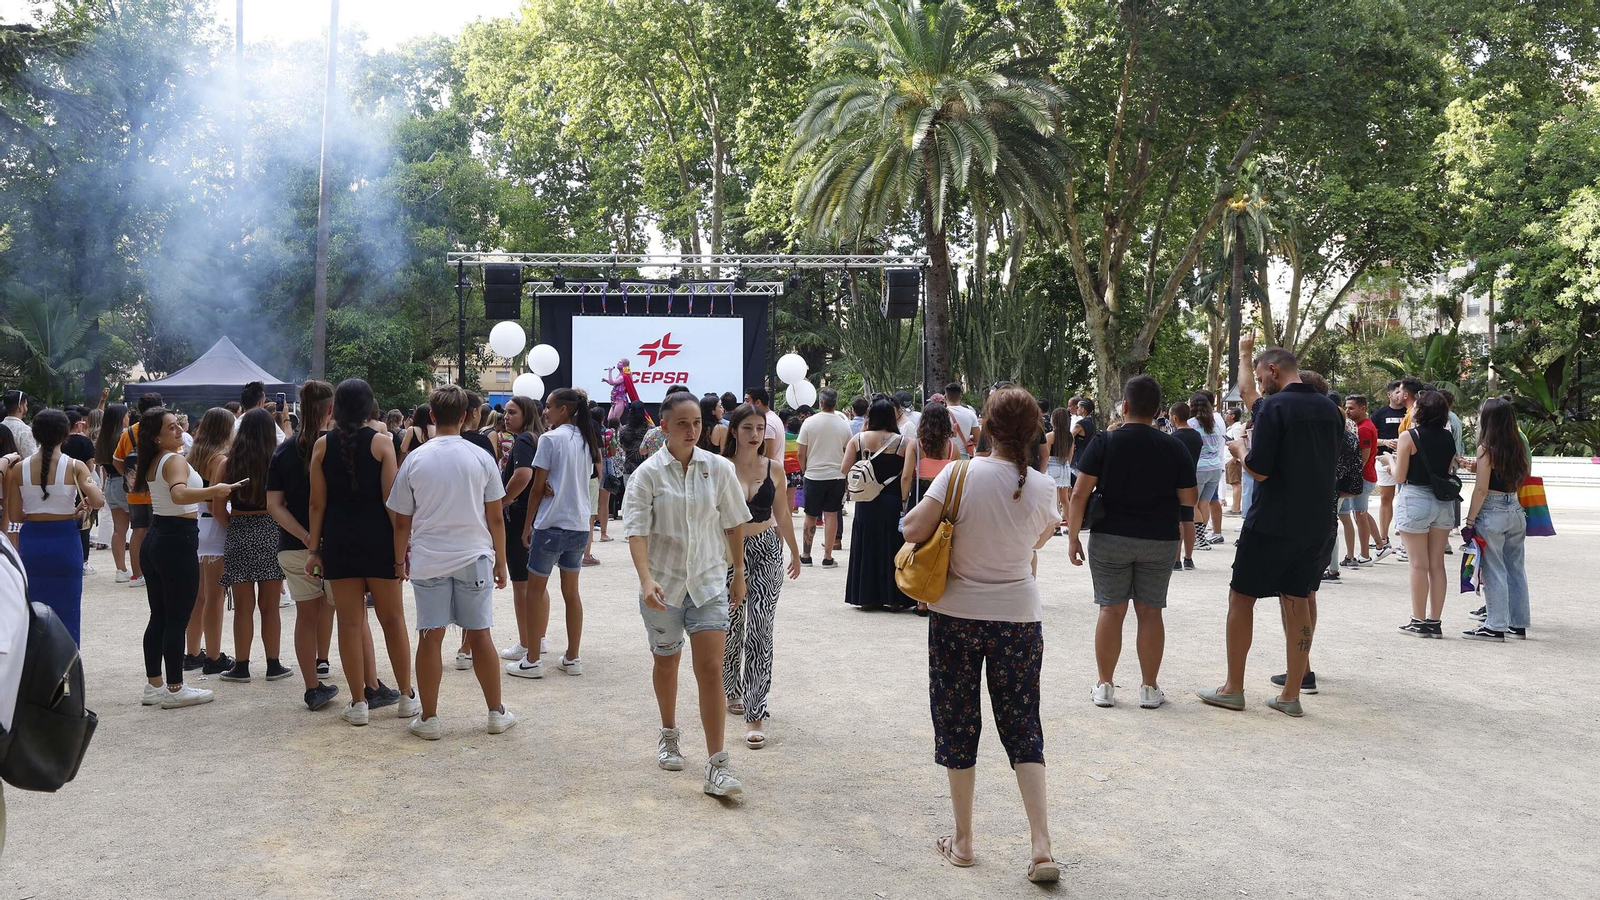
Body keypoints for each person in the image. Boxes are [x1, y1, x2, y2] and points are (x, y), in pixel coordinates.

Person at [900, 386, 1060, 883]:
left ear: (984, 428)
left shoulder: (957, 474)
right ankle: (1041, 846)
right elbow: (1035, 541)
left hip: (956, 616)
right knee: (1022, 725)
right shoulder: (1042, 488)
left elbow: (912, 530)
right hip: (1019, 618)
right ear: (1033, 430)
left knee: (957, 722)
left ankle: (964, 841)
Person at [1198, 347, 1340, 718]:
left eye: (1261, 377)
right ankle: (1290, 694)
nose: (1259, 384)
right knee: (1297, 599)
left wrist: (1240, 448)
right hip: (1318, 521)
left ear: (1273, 371)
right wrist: (1245, 355)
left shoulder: (1274, 408)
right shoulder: (1331, 410)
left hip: (1274, 520)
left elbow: (1260, 469)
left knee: (1241, 598)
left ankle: (1233, 687)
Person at [621, 391, 750, 798]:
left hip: (709, 581)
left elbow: (733, 524)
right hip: (664, 585)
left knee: (711, 668)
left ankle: (717, 763)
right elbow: (637, 531)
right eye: (682, 423)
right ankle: (669, 732)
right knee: (667, 661)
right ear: (664, 427)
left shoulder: (718, 469)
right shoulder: (648, 475)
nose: (691, 430)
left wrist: (738, 572)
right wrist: (645, 579)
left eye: (697, 422)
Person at [386, 384, 515, 739]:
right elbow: (496, 518)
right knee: (480, 634)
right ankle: (495, 712)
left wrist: (399, 563)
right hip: (474, 555)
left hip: (428, 558)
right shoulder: (480, 457)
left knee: (430, 636)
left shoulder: (415, 458)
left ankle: (429, 718)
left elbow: (401, 520)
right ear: (464, 416)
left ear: (430, 415)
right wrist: (501, 562)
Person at [1068, 378, 1197, 709]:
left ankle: (1105, 686)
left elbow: (1079, 493)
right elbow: (1189, 500)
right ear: (1158, 411)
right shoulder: (1175, 447)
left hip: (1110, 535)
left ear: (1124, 406)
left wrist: (1072, 538)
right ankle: (1149, 689)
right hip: (1159, 538)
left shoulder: (1104, 442)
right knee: (1151, 612)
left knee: (1111, 609)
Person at [307, 379, 419, 726]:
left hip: (339, 541)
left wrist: (314, 548)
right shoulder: (384, 444)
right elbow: (394, 506)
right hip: (379, 540)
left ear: (335, 408)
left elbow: (316, 504)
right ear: (371, 406)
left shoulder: (321, 446)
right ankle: (404, 695)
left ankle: (358, 703)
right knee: (393, 620)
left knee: (350, 623)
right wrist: (402, 551)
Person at [133, 406, 241, 709]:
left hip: (159, 536)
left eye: (178, 425)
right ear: (157, 437)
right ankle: (175, 687)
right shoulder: (175, 459)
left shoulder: (156, 459)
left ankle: (156, 685)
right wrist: (215, 490)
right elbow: (179, 494)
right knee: (176, 618)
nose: (180, 430)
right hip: (175, 537)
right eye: (172, 428)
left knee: (160, 616)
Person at [720, 403, 801, 748]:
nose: (755, 435)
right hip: (727, 551)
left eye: (760, 429)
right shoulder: (720, 468)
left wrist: (796, 551)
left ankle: (756, 711)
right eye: (747, 428)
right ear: (734, 431)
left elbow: (782, 513)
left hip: (767, 547)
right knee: (730, 623)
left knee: (761, 627)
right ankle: (730, 686)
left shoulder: (775, 468)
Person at [512, 388, 601, 679]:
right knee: (571, 593)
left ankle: (533, 659)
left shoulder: (550, 439)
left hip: (550, 523)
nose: (544, 412)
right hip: (577, 525)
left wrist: (527, 526)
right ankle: (572, 657)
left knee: (535, 593)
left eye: (548, 407)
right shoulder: (587, 439)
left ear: (563, 409)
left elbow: (537, 489)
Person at [266, 381, 340, 710]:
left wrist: (303, 535)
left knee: (305, 616)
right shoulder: (335, 446)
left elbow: (274, 504)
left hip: (293, 546)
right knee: (348, 616)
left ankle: (312, 686)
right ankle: (364, 685)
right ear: (330, 409)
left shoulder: (284, 449)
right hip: (336, 544)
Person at [3, 409, 103, 645]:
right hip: (65, 541)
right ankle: (67, 668)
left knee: (35, 610)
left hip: (33, 543)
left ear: (35, 434)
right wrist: (74, 509)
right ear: (65, 434)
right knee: (68, 610)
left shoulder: (19, 469)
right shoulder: (75, 466)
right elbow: (97, 500)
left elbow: (16, 515)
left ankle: (37, 667)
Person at [212, 408, 291, 683]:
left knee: (243, 607)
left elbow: (217, 507)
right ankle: (273, 664)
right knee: (270, 606)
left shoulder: (228, 462)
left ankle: (242, 666)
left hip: (240, 531)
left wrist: (234, 527)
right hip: (271, 530)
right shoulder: (278, 460)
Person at [1390, 390, 1459, 637]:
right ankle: (1434, 621)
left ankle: (1417, 620)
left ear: (1420, 411)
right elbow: (1449, 468)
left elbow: (1400, 476)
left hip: (1416, 498)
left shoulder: (1410, 436)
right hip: (1442, 501)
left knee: (1417, 565)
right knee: (1436, 564)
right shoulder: (1448, 437)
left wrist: (1390, 461)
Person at [1462, 398, 1530, 641]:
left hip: (1492, 510)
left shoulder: (1486, 448)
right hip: (1515, 508)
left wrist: (1469, 522)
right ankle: (1518, 623)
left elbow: (1481, 489)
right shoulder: (1518, 444)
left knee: (1493, 570)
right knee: (1515, 568)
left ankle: (1495, 624)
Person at [841, 396, 913, 612]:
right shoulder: (904, 443)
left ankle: (866, 597)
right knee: (891, 546)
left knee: (866, 546)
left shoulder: (858, 440)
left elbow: (844, 469)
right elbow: (906, 477)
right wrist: (903, 502)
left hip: (865, 500)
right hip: (891, 501)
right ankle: (893, 598)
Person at [182, 408, 236, 676]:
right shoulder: (220, 460)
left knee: (198, 596)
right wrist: (233, 529)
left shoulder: (193, 456)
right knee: (215, 597)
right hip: (214, 526)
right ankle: (213, 656)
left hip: (195, 524)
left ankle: (193, 652)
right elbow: (216, 505)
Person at [494, 396, 547, 667]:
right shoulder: (538, 437)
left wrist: (503, 499)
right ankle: (538, 636)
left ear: (525, 414)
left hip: (520, 516)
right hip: (536, 515)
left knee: (521, 584)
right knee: (537, 581)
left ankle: (527, 643)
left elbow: (523, 475)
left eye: (512, 412)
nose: (506, 416)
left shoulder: (525, 440)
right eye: (505, 412)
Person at [796, 387, 851, 568]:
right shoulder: (843, 424)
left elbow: (800, 453)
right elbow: (848, 451)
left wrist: (805, 470)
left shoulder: (809, 423)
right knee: (832, 514)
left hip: (813, 475)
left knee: (810, 515)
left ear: (820, 402)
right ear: (835, 403)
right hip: (836, 476)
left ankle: (806, 555)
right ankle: (828, 556)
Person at [114, 393, 165, 588]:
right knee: (158, 532)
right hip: (158, 491)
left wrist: (130, 478)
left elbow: (117, 461)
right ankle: (157, 573)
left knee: (138, 531)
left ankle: (137, 575)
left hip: (135, 492)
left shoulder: (128, 432)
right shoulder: (162, 430)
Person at [1371, 379, 1412, 560]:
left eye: (1401, 392)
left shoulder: (1412, 412)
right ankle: (1384, 538)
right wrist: (1385, 442)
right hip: (1384, 461)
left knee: (1406, 499)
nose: (1399, 395)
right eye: (1395, 392)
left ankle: (1406, 542)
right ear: (1389, 394)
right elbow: (1369, 436)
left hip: (1407, 461)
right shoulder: (1380, 414)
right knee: (1385, 498)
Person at [95, 403, 132, 579]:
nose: (128, 418)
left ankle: (121, 569)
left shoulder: (103, 437)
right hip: (124, 482)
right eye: (126, 415)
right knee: (140, 528)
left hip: (110, 483)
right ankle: (138, 571)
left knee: (119, 529)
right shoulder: (123, 436)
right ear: (120, 417)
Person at [1342, 395, 1380, 565]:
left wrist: (1351, 477)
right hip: (1364, 476)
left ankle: (1365, 555)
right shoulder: (1360, 426)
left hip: (1363, 477)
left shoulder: (1364, 428)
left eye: (1351, 408)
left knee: (1360, 516)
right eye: (1346, 407)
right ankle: (1379, 543)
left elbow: (1362, 460)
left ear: (1363, 408)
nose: (1347, 411)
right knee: (1360, 514)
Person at [1188, 392, 1227, 547]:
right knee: (1205, 503)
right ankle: (1202, 538)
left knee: (1194, 504)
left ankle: (1198, 539)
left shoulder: (1191, 424)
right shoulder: (1214, 424)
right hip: (1215, 467)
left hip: (1199, 467)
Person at [1168, 402, 1202, 568]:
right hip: (1191, 479)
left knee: (1177, 520)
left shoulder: (1173, 438)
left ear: (1174, 417)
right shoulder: (1196, 436)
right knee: (1188, 519)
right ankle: (1189, 558)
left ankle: (1176, 560)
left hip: (1175, 483)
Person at [1041, 408, 1074, 532]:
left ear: (1054, 420)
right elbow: (1071, 455)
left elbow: (1045, 454)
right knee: (1065, 499)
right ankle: (1071, 525)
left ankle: (1056, 527)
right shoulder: (1070, 436)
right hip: (1065, 466)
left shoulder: (1050, 436)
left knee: (1055, 499)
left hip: (1052, 466)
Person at [744, 388, 785, 463]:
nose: (744, 404)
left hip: (769, 472)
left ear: (758, 402)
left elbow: (769, 456)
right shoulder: (772, 417)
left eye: (747, 401)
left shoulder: (767, 422)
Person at [943, 382, 980, 454]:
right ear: (960, 397)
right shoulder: (970, 414)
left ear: (945, 397)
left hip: (946, 455)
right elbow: (978, 439)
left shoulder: (941, 414)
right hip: (963, 456)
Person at [1068, 398, 1096, 482]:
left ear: (1083, 409)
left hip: (1077, 456)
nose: (1077, 409)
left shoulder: (1080, 424)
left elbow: (1069, 436)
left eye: (1078, 407)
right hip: (1087, 454)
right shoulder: (1092, 422)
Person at [1, 391, 36, 459]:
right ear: (21, 407)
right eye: (26, 405)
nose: (27, 408)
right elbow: (31, 458)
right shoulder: (25, 430)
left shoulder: (1, 426)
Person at [1224, 408, 1245, 514]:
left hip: (1233, 459)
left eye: (1227, 413)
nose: (1225, 415)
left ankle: (1235, 508)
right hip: (1229, 459)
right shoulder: (1231, 428)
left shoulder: (1237, 428)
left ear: (1232, 416)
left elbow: (1239, 443)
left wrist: (1235, 458)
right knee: (1233, 483)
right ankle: (1235, 507)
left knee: (1236, 483)